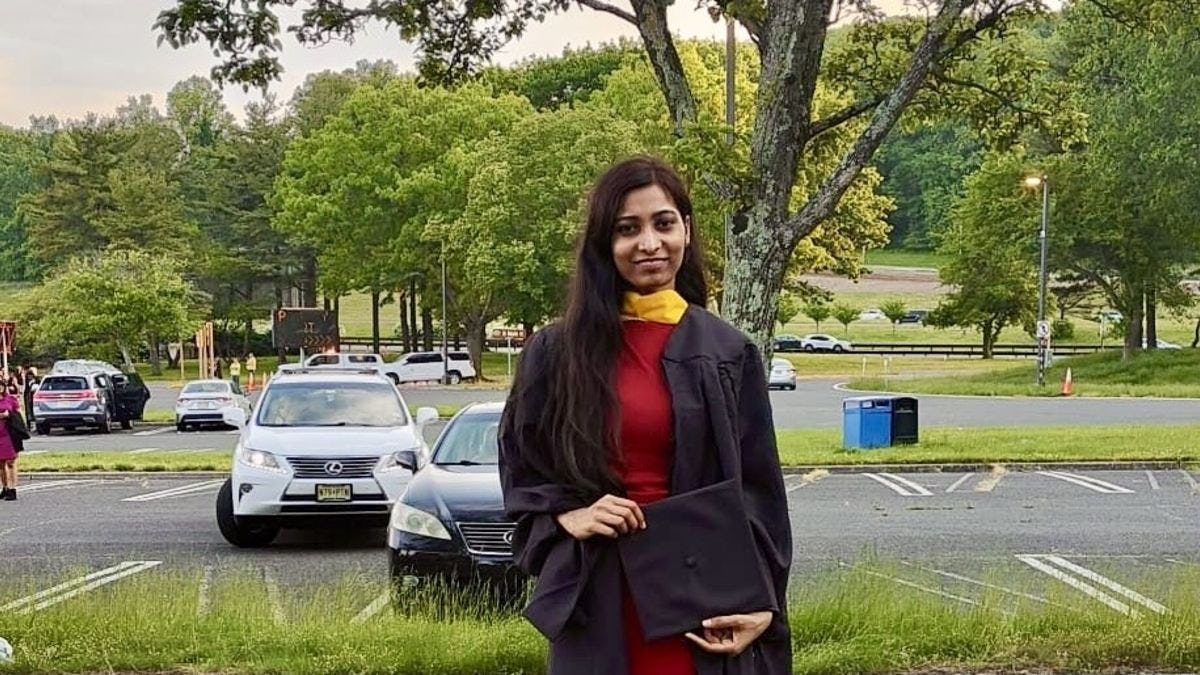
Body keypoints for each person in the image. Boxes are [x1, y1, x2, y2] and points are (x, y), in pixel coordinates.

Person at [499, 157, 792, 675]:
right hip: (600, 591)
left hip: (702, 598)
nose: (649, 243)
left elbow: (759, 492)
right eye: (627, 229)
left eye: (664, 223)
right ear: (603, 245)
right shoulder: (557, 352)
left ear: (686, 229)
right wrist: (571, 515)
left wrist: (762, 601)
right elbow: (523, 469)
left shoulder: (726, 352)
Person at [0, 376, 24, 500]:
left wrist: (9, 415)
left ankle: (12, 488)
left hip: (9, 435)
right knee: (1, 463)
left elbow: (19, 414)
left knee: (11, 462)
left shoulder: (10, 399)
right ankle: (4, 487)